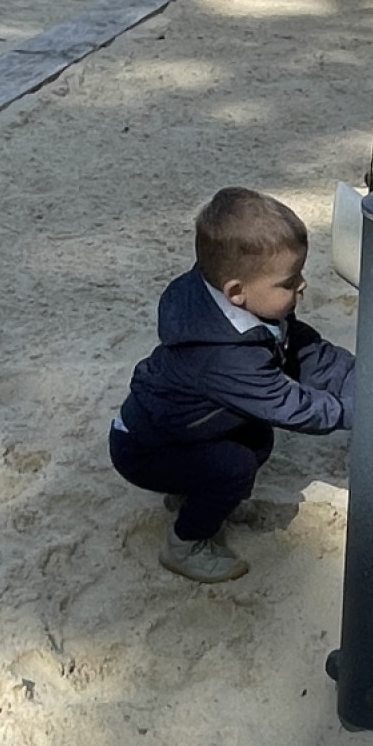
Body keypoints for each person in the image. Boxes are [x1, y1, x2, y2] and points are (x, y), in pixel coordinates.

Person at [110, 187, 354, 584]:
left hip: (181, 432)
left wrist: (360, 379)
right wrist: (359, 411)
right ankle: (186, 543)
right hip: (145, 449)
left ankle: (198, 492)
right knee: (235, 466)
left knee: (255, 439)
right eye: (289, 282)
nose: (302, 286)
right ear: (236, 292)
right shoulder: (223, 356)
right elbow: (291, 405)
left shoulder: (236, 304)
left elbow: (303, 350)